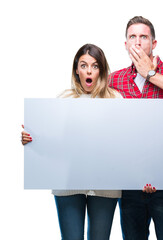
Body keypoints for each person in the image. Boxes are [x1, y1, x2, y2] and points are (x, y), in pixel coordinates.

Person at [108, 16, 163, 240]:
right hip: (129, 185)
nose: (137, 42)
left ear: (153, 43)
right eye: (132, 37)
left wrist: (150, 73)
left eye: (143, 37)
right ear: (126, 44)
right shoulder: (115, 79)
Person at [21, 43, 122, 240]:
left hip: (105, 185)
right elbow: (54, 143)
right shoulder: (64, 99)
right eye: (83, 65)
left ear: (101, 69)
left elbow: (125, 143)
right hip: (69, 183)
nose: (89, 70)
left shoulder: (116, 99)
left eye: (94, 65)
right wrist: (32, 141)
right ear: (77, 69)